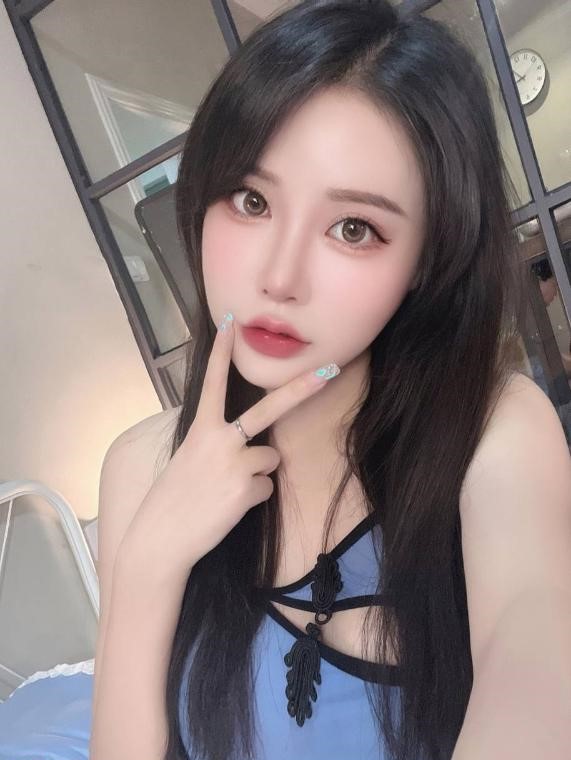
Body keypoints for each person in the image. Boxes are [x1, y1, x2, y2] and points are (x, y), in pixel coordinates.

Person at [89, 2, 571, 760]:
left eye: (353, 229)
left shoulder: (494, 433)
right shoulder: (139, 465)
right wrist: (150, 563)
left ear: (426, 262)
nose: (279, 278)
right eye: (251, 201)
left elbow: (535, 664)